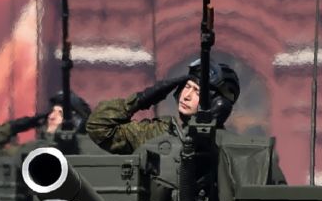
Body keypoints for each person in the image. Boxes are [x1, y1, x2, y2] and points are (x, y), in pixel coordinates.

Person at [85, 58, 241, 154]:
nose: (186, 96)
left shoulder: (228, 148)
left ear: (218, 105)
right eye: (186, 87)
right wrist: (142, 99)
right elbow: (98, 126)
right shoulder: (159, 133)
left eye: (197, 92)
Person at [0, 90, 92, 156]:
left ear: (76, 122)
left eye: (60, 113)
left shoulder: (86, 150)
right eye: (52, 112)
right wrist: (16, 126)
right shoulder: (32, 149)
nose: (51, 117)